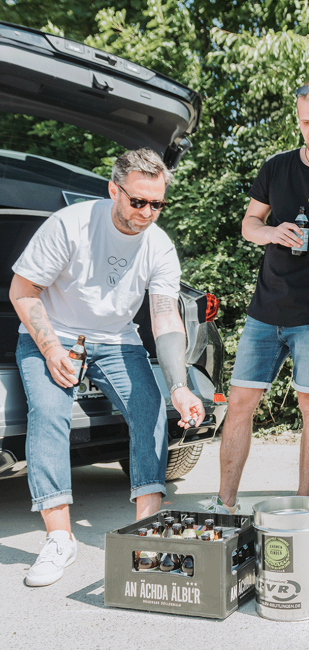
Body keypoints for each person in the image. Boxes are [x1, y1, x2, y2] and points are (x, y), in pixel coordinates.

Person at [10, 148, 205, 587]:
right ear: (114, 190)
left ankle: (147, 531)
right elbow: (22, 291)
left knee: (150, 410)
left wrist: (179, 386)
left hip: (117, 339)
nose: (147, 213)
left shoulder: (159, 245)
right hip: (52, 332)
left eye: (157, 204)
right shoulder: (70, 225)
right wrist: (50, 349)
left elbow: (165, 318)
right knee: (49, 414)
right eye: (138, 201)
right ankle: (59, 539)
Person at [206, 79, 309, 514]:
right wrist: (270, 232)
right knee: (239, 403)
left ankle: (303, 506)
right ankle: (225, 505)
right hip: (265, 310)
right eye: (306, 122)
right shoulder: (276, 167)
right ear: (297, 121)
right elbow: (249, 224)